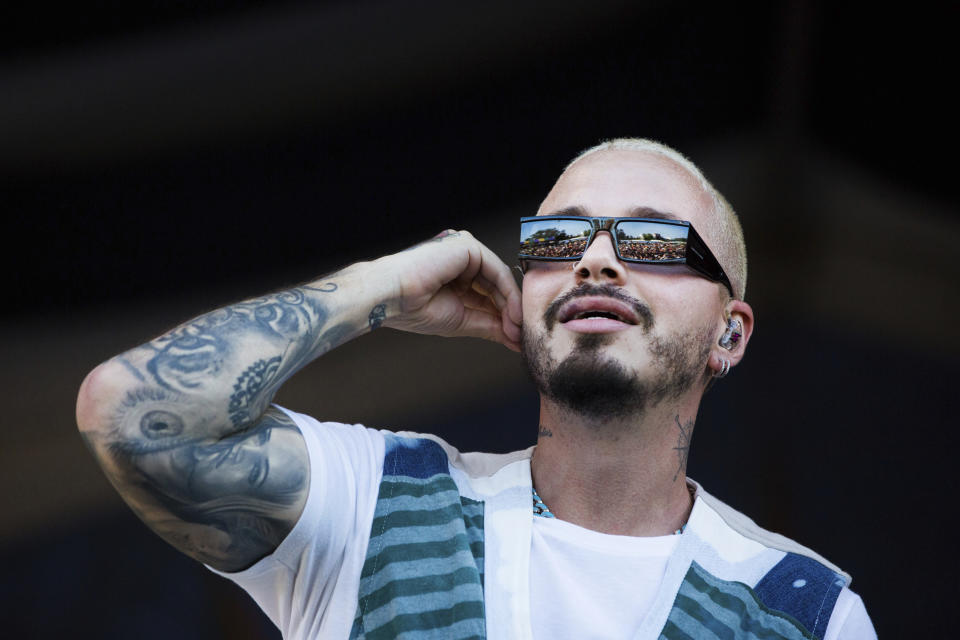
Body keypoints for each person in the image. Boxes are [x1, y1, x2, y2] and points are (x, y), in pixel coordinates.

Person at [76, 138, 876, 639]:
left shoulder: (802, 610)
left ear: (729, 334)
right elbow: (130, 415)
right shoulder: (371, 503)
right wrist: (377, 287)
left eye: (651, 240)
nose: (597, 262)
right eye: (559, 239)